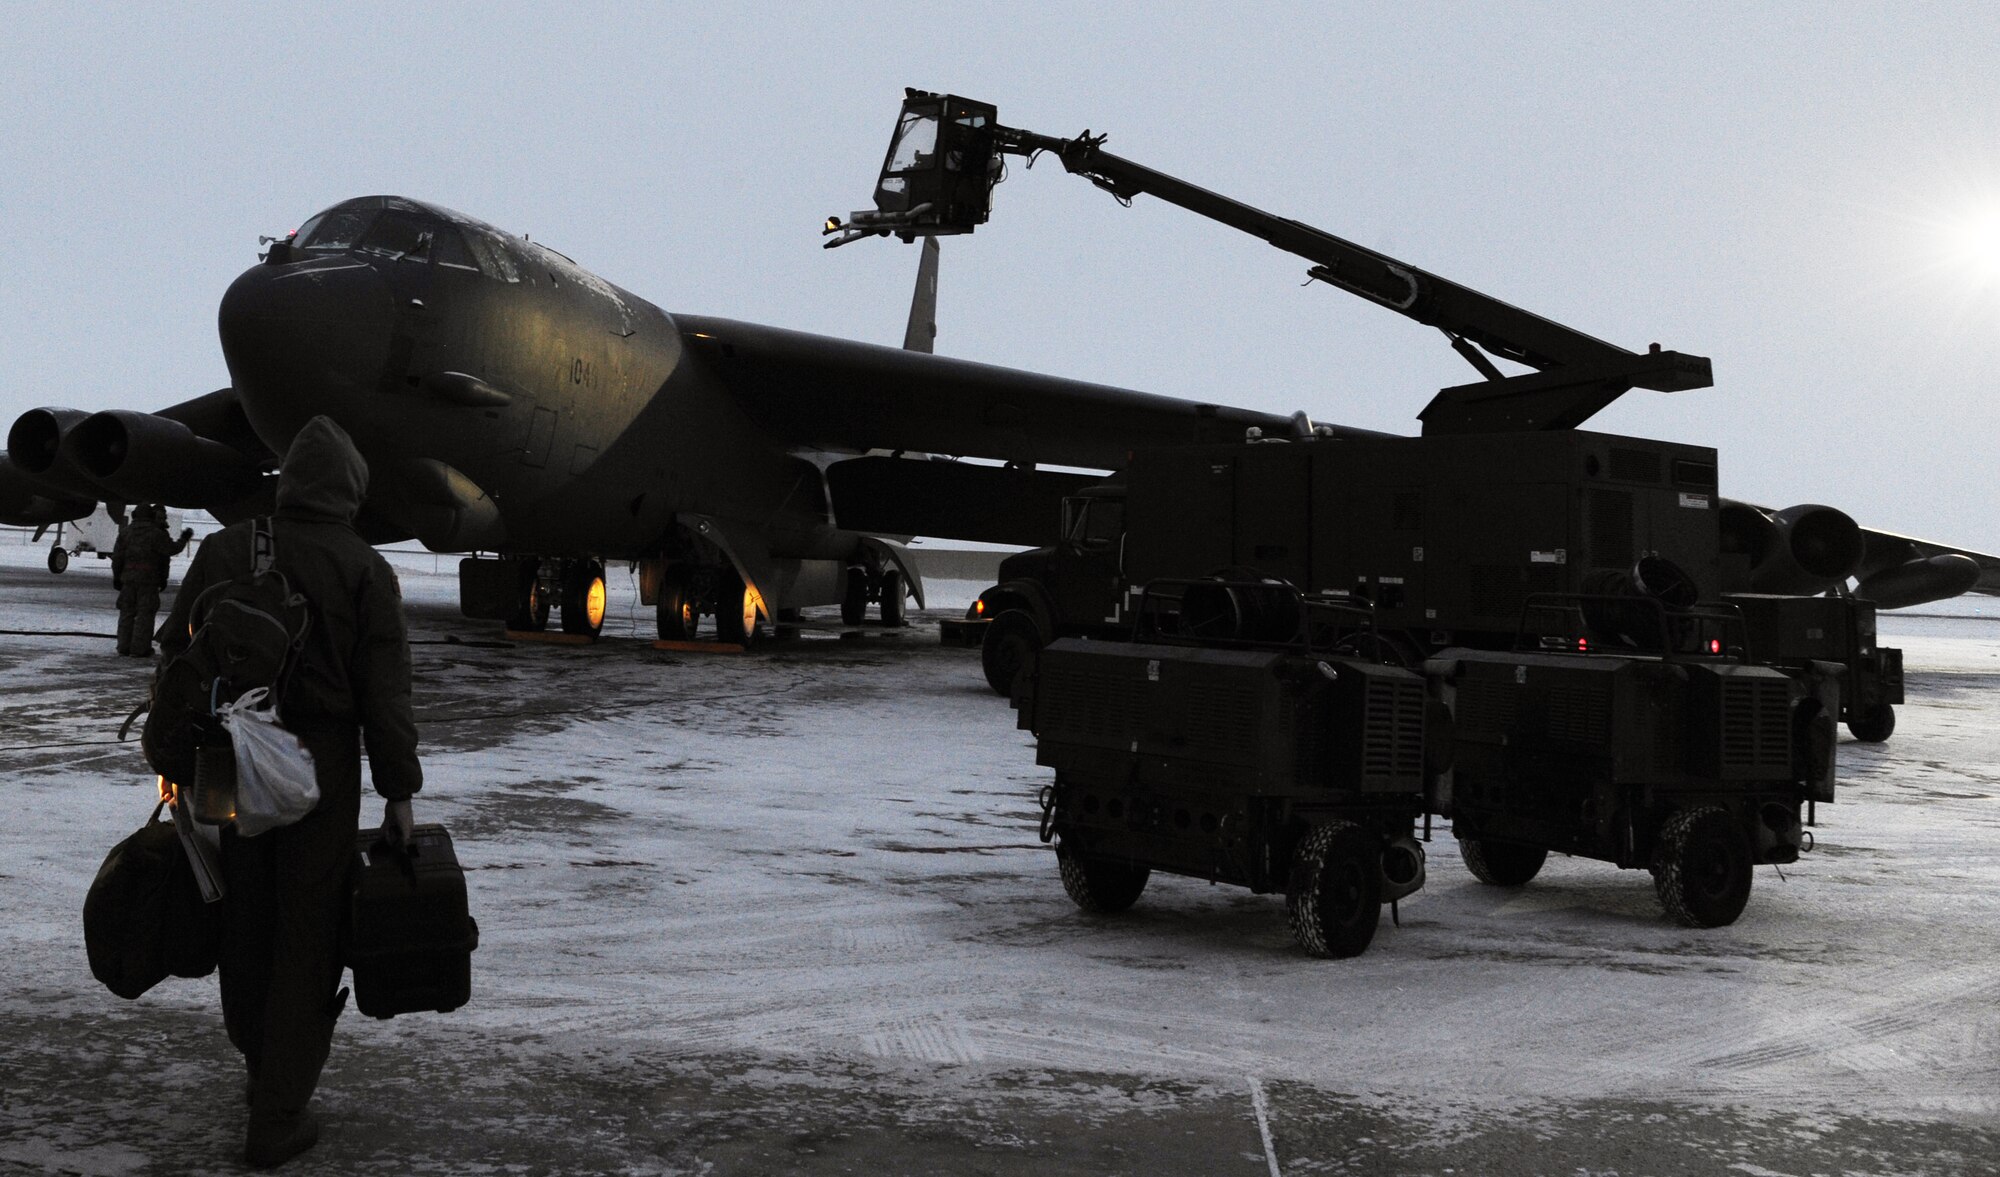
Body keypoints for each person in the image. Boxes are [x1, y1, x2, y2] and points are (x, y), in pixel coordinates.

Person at [158, 416, 422, 1169]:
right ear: (350, 490)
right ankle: (278, 1114)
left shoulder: (226, 547)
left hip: (232, 760)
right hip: (319, 769)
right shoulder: (364, 566)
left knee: (245, 916)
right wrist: (399, 793)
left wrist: (183, 754)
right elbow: (386, 695)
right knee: (308, 932)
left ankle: (257, 1064)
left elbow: (177, 649)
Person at [110, 504, 193, 657]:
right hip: (148, 580)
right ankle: (139, 649)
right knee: (145, 614)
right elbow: (170, 550)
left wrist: (117, 577)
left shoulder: (125, 533)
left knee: (126, 613)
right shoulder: (156, 534)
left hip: (128, 580)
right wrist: (184, 539)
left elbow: (117, 558)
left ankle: (123, 646)